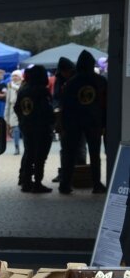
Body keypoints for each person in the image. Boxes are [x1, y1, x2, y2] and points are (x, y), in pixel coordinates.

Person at [59, 50, 108, 194]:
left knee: (69, 153)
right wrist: (104, 122)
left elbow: (65, 105)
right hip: (94, 121)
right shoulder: (101, 81)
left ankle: (65, 184)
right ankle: (96, 184)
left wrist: (64, 124)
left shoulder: (71, 82)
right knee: (95, 153)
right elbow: (105, 103)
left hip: (74, 121)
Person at [14, 65, 55, 193]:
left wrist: (23, 120)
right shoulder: (42, 91)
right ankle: (37, 183)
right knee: (40, 156)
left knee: (29, 154)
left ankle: (26, 182)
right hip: (41, 127)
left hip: (26, 126)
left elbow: (17, 108)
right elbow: (46, 110)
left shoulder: (23, 90)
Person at [3, 69, 24, 155]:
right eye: (13, 76)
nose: (14, 77)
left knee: (24, 130)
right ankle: (17, 147)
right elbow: (8, 101)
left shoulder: (23, 84)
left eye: (16, 75)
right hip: (13, 109)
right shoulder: (9, 85)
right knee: (15, 129)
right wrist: (6, 114)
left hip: (23, 108)